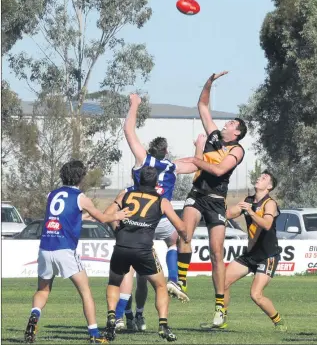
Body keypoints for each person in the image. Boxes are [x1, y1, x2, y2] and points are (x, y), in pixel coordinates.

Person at [109, 93, 199, 332]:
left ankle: (119, 316)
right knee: (174, 240)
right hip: (158, 216)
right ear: (166, 151)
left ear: (150, 149)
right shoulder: (173, 166)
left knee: (126, 268)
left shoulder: (143, 158)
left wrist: (134, 105)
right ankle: (174, 279)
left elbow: (129, 131)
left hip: (134, 218)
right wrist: (199, 148)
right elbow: (195, 164)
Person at [167, 71, 247, 328]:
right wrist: (209, 83)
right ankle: (180, 282)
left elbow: (219, 171)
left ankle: (220, 309)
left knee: (216, 253)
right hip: (197, 195)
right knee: (184, 234)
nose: (226, 124)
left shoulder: (237, 150)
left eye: (232, 123)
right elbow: (202, 105)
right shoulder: (213, 135)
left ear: (236, 133)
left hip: (216, 201)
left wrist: (194, 158)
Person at [24, 160, 130, 344]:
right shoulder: (81, 197)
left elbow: (65, 215)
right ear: (80, 177)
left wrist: (85, 216)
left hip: (45, 248)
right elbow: (104, 218)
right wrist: (117, 215)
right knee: (85, 292)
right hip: (65, 249)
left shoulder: (52, 194)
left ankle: (34, 316)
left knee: (43, 290)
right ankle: (94, 335)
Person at [104, 166, 188, 342]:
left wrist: (118, 230)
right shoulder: (162, 201)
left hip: (122, 246)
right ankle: (163, 326)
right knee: (160, 286)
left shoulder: (125, 195)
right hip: (143, 249)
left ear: (138, 180)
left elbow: (107, 215)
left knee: (114, 282)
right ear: (157, 183)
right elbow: (180, 227)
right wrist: (186, 236)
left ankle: (112, 317)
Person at [221, 171, 287, 331]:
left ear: (269, 186)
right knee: (222, 283)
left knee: (256, 295)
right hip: (250, 254)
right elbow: (228, 214)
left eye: (264, 178)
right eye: (260, 176)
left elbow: (267, 224)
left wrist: (250, 211)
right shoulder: (248, 200)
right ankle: (220, 319)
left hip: (267, 256)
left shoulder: (269, 203)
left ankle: (279, 322)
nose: (259, 178)